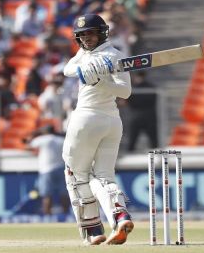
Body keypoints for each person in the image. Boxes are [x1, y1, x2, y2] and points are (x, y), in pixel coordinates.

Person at [62, 14, 133, 245]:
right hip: (111, 123)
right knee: (103, 176)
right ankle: (120, 216)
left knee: (76, 175)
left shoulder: (114, 57)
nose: (86, 39)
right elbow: (67, 69)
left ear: (102, 33)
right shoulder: (84, 54)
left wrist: (101, 80)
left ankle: (93, 231)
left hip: (88, 119)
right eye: (81, 35)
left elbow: (125, 92)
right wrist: (87, 67)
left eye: (90, 33)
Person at [27, 125, 69, 215]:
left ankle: (48, 216)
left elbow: (28, 144)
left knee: (46, 194)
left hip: (46, 169)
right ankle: (66, 215)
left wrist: (35, 134)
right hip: (61, 168)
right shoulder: (61, 140)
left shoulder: (42, 139)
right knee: (64, 194)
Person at [126, 71, 158, 151]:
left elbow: (125, 102)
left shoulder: (132, 89)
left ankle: (129, 157)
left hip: (137, 116)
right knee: (154, 142)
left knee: (132, 141)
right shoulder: (151, 87)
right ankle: (157, 158)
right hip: (149, 116)